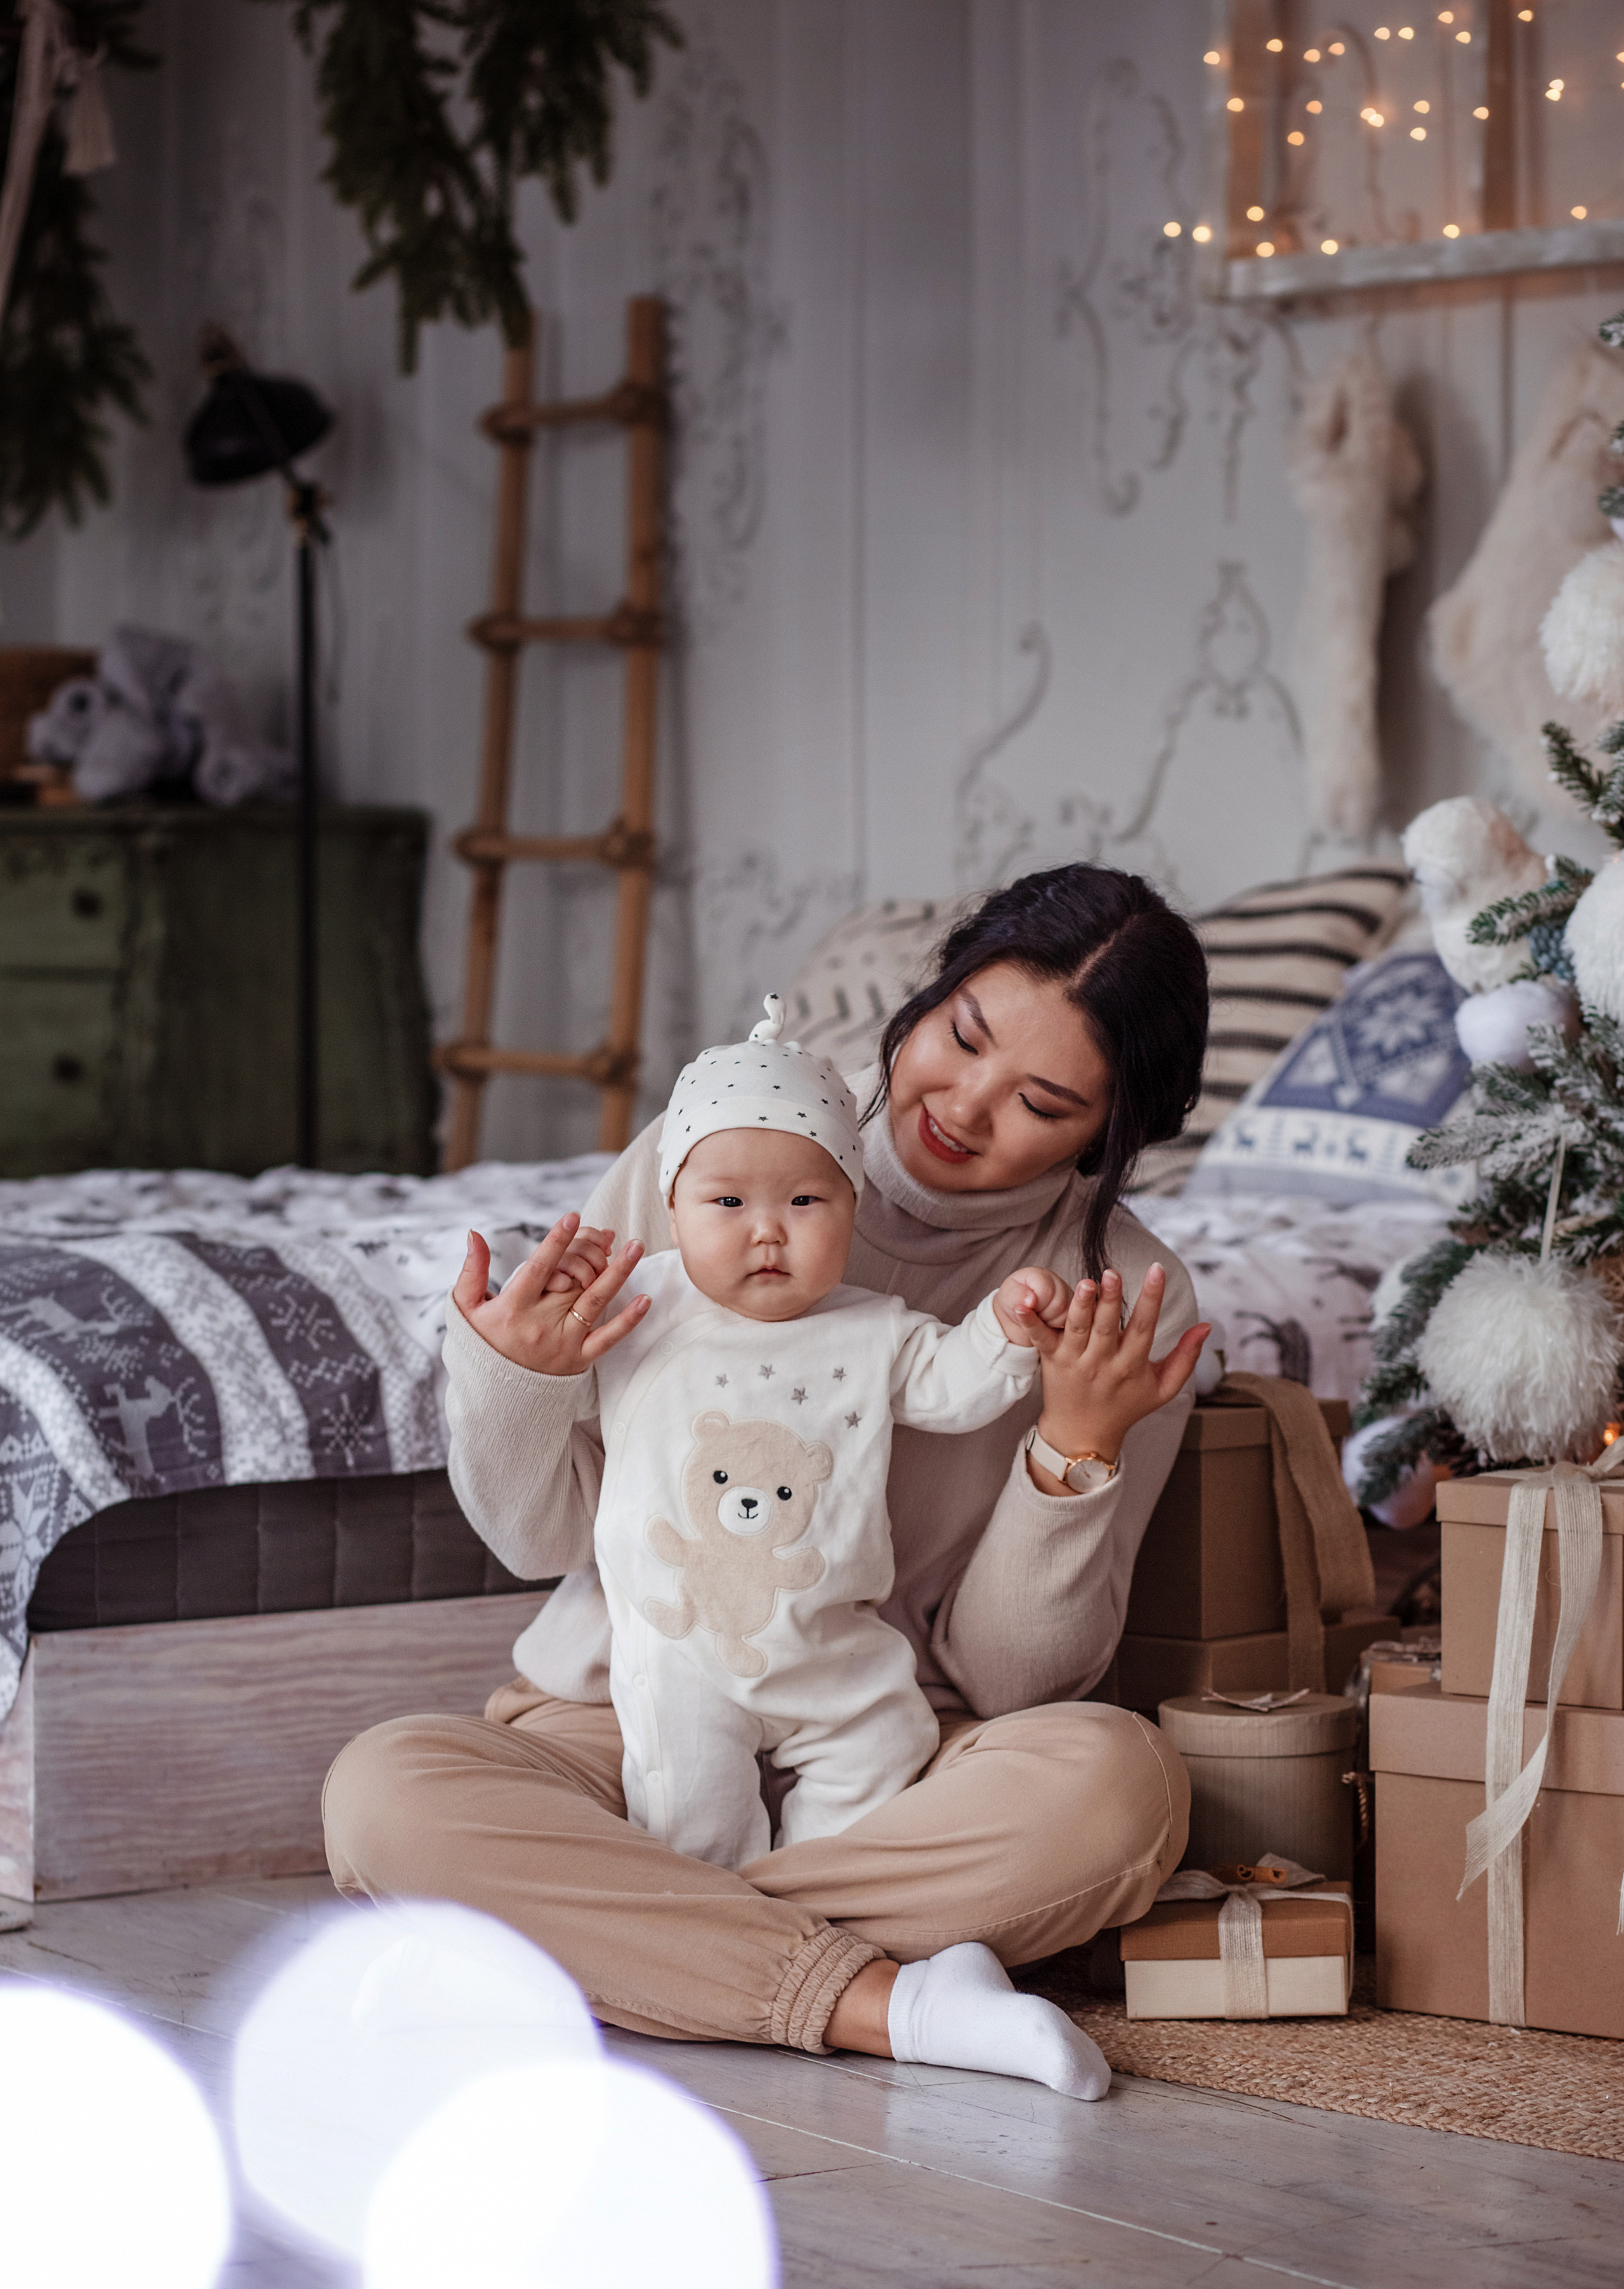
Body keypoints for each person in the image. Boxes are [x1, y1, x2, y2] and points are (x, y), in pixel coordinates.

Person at [324, 863, 1211, 2102]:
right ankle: (888, 1998)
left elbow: (1015, 1684)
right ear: (932, 991)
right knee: (384, 1792)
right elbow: (543, 1539)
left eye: (1040, 1101)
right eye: (958, 1036)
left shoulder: (1118, 1300)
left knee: (1114, 1788)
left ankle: (562, 1937)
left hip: (893, 1749)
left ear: (1106, 1136)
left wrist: (1072, 1447)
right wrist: (513, 1379)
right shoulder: (728, 1137)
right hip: (622, 1713)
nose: (960, 1105)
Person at [477, 992, 1080, 1876]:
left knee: (883, 1747)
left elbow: (957, 1387)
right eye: (726, 1201)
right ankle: (734, 1921)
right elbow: (546, 1405)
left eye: (805, 1200)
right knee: (689, 1813)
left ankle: (804, 1907)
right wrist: (525, 1346)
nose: (767, 1230)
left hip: (834, 1643)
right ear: (672, 1204)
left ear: (852, 1205)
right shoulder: (634, 1309)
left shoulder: (877, 1329)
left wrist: (1008, 1325)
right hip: (678, 1652)